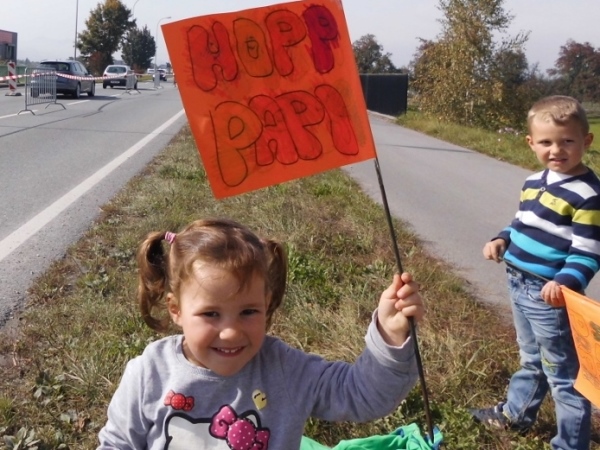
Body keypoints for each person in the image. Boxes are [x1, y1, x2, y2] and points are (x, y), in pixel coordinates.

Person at [97, 218, 425, 449]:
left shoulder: (285, 370)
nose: (230, 332)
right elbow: (118, 444)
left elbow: (362, 395)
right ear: (176, 310)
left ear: (266, 305)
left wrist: (390, 335)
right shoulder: (149, 374)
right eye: (211, 314)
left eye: (248, 312)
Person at [469, 95, 600, 450]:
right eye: (546, 142)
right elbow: (522, 222)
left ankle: (569, 444)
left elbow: (588, 251)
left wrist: (564, 283)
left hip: (548, 295)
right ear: (531, 143)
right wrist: (502, 238)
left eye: (567, 141)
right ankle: (515, 415)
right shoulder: (533, 181)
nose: (556, 150)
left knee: (563, 375)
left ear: (586, 140)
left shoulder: (588, 195)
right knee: (530, 358)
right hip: (517, 282)